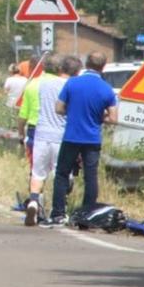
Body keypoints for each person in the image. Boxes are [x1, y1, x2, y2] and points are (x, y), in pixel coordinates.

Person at [47, 51, 118, 227]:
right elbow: (113, 118)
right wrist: (99, 117)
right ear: (103, 66)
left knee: (62, 174)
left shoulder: (72, 83)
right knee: (90, 176)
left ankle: (58, 212)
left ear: (86, 64)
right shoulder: (106, 89)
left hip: (72, 136)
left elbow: (59, 108)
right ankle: (87, 213)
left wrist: (73, 112)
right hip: (92, 139)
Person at [24, 55, 78, 226]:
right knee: (61, 175)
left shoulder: (42, 84)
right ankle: (60, 210)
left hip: (41, 134)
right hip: (60, 135)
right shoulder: (67, 85)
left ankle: (34, 202)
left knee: (37, 173)